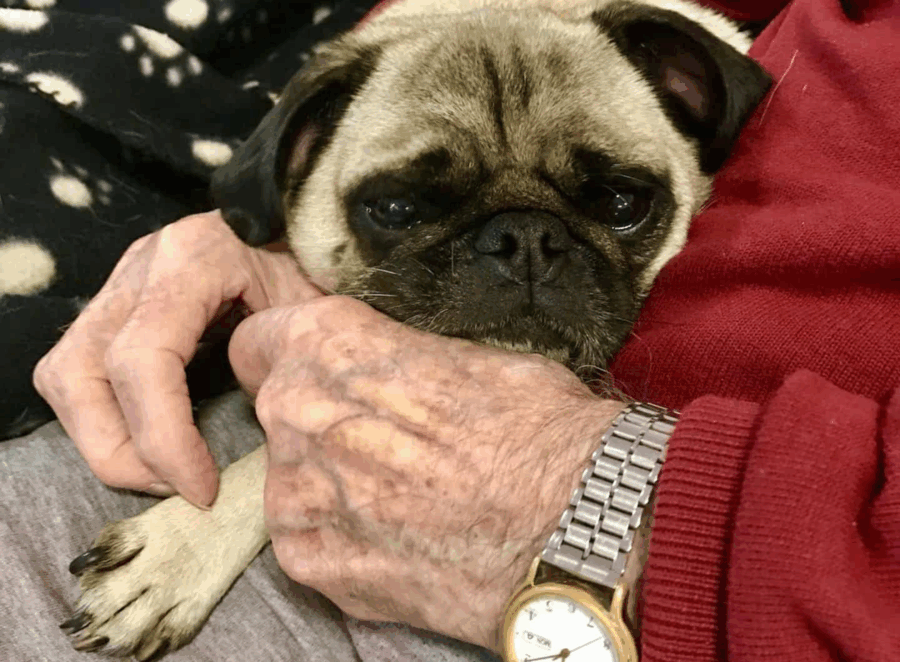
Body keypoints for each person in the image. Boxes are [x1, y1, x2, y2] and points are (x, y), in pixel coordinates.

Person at [3, 0, 900, 661]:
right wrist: (269, 222)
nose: (523, 256)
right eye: (401, 205)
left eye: (616, 203)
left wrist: (614, 509)